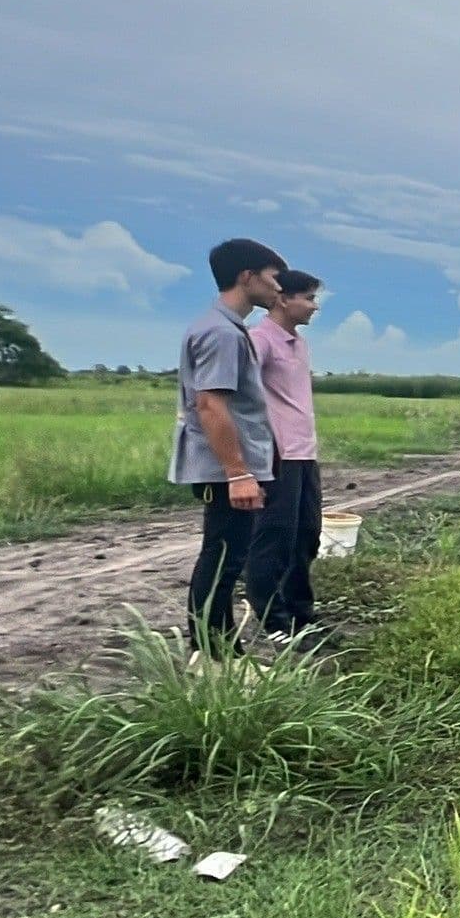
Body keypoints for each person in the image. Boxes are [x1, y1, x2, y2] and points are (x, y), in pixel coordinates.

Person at [171, 237, 285, 649]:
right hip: (226, 468)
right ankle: (212, 654)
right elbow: (210, 404)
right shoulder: (221, 333)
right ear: (247, 277)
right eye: (274, 279)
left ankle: (218, 650)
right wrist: (239, 473)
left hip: (229, 465)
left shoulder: (224, 328)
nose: (279, 288)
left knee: (224, 558)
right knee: (223, 560)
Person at [245, 267, 323, 641]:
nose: (314, 306)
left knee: (306, 535)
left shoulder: (298, 343)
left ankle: (300, 614)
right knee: (274, 537)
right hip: (277, 456)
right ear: (282, 298)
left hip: (304, 455)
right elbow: (238, 397)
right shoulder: (259, 340)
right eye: (307, 297)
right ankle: (272, 619)